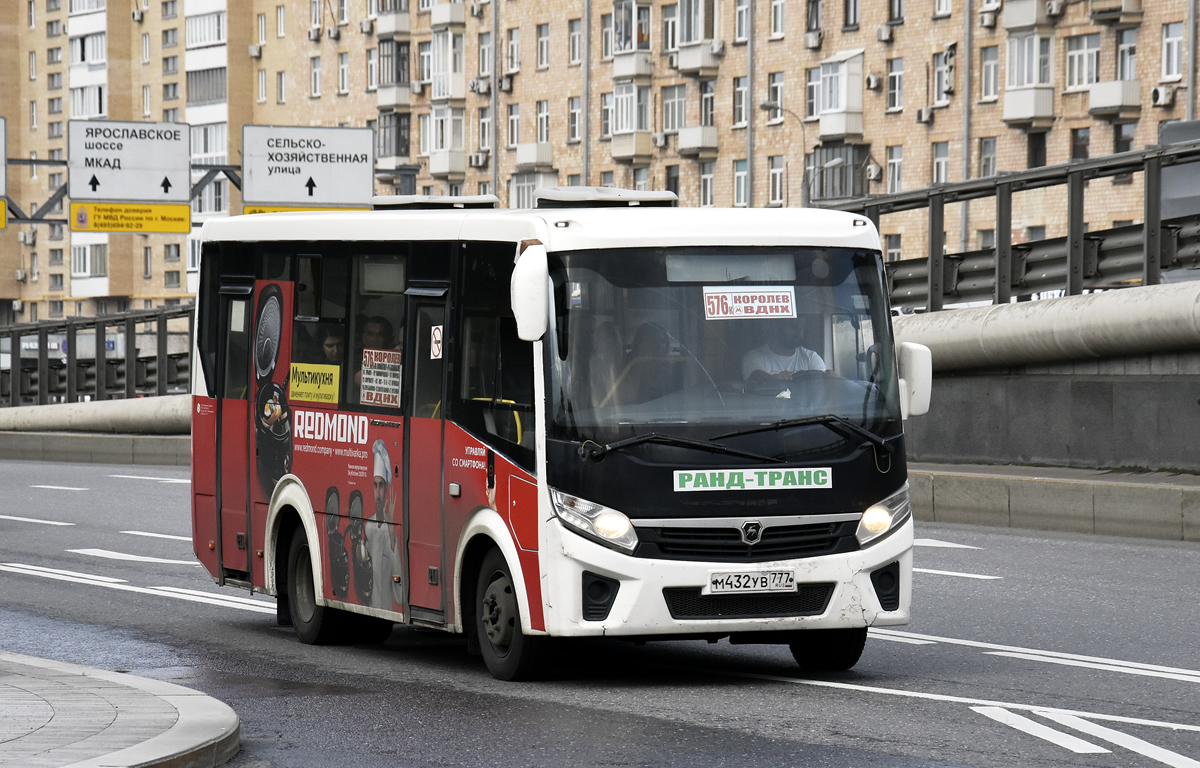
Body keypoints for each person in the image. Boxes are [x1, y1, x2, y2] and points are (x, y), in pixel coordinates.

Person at [741, 316, 827, 383]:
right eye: (792, 327)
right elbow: (757, 377)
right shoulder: (754, 357)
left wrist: (830, 378)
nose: (798, 333)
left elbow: (820, 383)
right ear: (775, 326)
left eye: (801, 327)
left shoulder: (811, 357)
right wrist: (774, 379)